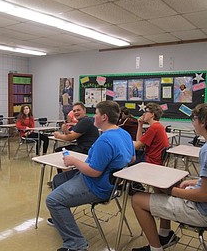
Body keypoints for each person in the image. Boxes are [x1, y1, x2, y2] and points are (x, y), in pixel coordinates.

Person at [46, 100, 135, 251]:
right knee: (58, 179)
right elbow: (131, 158)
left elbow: (94, 172)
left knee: (52, 200)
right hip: (111, 183)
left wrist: (73, 160)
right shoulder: (123, 134)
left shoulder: (105, 140)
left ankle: (76, 243)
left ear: (104, 117)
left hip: (96, 185)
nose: (94, 116)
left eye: (97, 114)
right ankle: (60, 218)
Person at [131, 103, 207, 251]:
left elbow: (203, 195)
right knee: (160, 188)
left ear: (202, 122)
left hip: (200, 211)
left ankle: (155, 248)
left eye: (194, 119)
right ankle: (165, 234)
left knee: (137, 199)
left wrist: (171, 191)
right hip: (200, 203)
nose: (193, 123)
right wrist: (195, 181)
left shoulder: (205, 150)